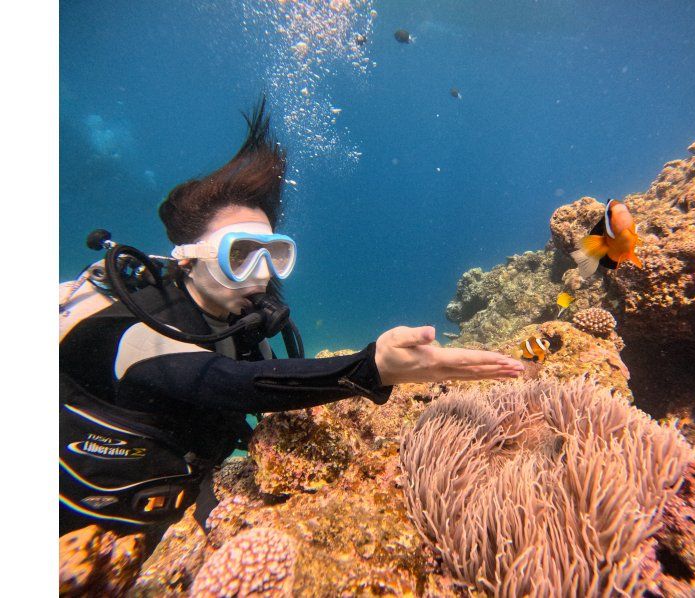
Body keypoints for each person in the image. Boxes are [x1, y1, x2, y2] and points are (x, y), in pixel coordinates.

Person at [59, 99, 524, 551]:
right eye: (239, 254)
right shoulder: (145, 326)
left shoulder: (238, 325)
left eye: (273, 254)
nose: (262, 273)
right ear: (188, 259)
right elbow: (230, 384)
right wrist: (373, 368)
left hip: (172, 491)